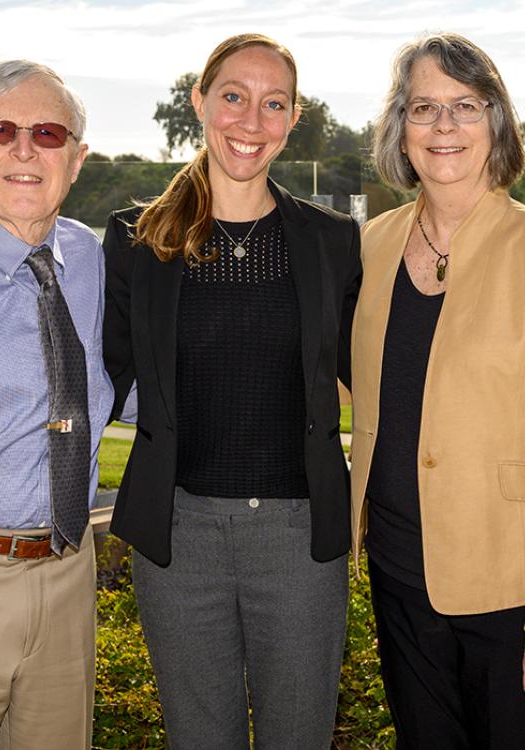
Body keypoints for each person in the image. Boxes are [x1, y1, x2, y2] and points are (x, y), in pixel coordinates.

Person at [103, 32, 361, 750]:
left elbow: (359, 370)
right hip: (179, 538)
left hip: (300, 538)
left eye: (272, 103)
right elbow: (115, 374)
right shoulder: (134, 239)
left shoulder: (332, 240)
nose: (251, 122)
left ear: (292, 117)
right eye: (234, 98)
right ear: (200, 102)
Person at [0, 60, 113, 749]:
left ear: (78, 158)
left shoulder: (91, 261)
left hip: (67, 576)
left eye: (50, 133)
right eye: (0, 130)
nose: (27, 150)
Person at [350, 32, 525, 749]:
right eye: (424, 107)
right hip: (397, 569)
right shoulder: (368, 246)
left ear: (497, 123)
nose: (444, 127)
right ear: (400, 128)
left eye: (465, 106)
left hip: (508, 579)